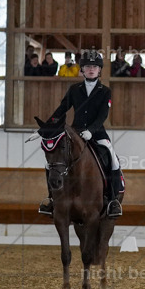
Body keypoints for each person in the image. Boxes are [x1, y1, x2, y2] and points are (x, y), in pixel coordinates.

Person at [38, 50, 124, 218]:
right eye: (87, 67)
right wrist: (46, 128)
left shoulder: (105, 91)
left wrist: (91, 131)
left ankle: (113, 201)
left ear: (99, 70)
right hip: (75, 133)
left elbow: (103, 115)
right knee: (52, 162)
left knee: (113, 159)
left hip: (97, 134)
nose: (91, 69)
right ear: (82, 70)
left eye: (94, 67)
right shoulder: (74, 90)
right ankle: (51, 200)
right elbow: (61, 110)